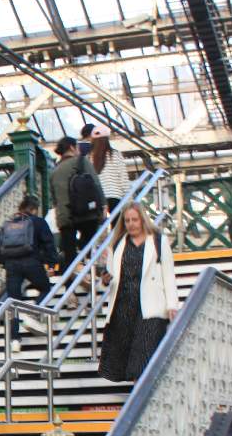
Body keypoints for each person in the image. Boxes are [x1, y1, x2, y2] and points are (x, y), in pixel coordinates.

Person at [98, 201, 179, 383]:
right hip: (123, 306)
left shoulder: (158, 241)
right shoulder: (118, 243)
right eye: (127, 221)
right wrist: (104, 280)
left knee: (142, 357)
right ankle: (138, 396)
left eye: (135, 219)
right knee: (128, 358)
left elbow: (168, 275)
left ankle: (139, 397)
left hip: (150, 307)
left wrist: (172, 305)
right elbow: (110, 274)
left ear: (142, 220)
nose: (131, 224)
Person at [0, 195, 58, 351]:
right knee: (45, 288)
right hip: (32, 263)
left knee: (13, 303)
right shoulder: (37, 222)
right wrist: (51, 263)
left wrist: (6, 263)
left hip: (11, 267)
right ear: (34, 209)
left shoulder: (8, 224)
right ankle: (34, 313)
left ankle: (15, 340)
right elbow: (49, 244)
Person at [50, 136, 105, 271]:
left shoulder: (54, 171)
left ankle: (70, 286)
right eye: (77, 147)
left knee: (69, 256)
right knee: (89, 243)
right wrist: (103, 205)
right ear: (72, 147)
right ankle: (89, 271)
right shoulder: (81, 161)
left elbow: (54, 199)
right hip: (85, 213)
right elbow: (95, 184)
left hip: (64, 217)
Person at [89, 125, 132, 213]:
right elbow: (123, 179)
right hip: (115, 196)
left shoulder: (90, 158)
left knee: (102, 225)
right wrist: (129, 199)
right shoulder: (115, 155)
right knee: (116, 225)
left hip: (98, 198)